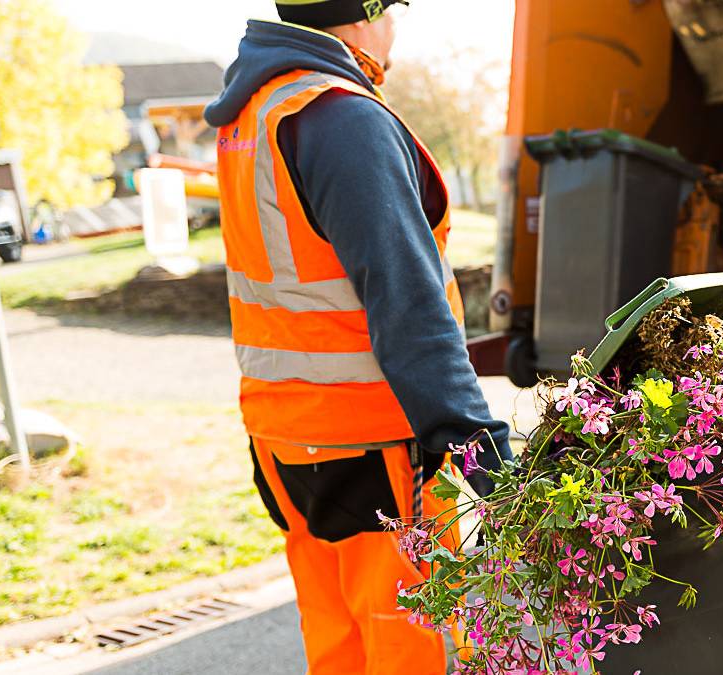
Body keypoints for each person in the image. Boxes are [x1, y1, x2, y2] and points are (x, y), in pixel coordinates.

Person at [203, 1, 511, 673]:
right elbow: (407, 303)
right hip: (370, 442)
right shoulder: (342, 118)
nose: (399, 24)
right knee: (411, 650)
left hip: (286, 437)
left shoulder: (254, 112)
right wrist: (481, 446)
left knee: (340, 643)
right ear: (360, 16)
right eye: (394, 8)